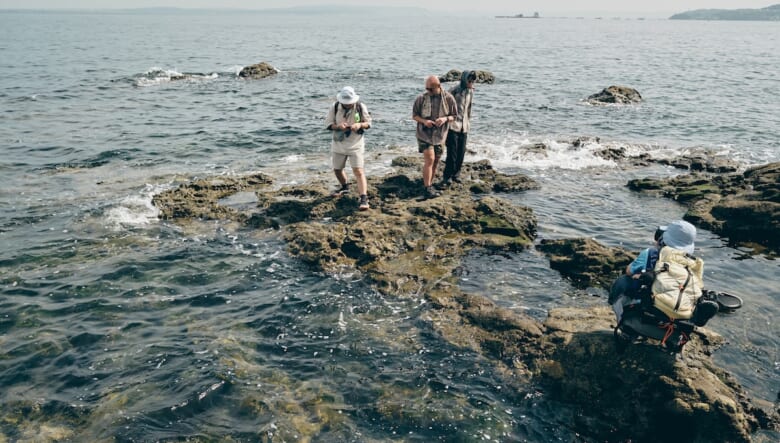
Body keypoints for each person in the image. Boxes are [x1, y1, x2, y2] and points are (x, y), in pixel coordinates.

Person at [608, 220, 698, 324]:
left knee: (623, 280)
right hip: (676, 309)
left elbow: (629, 271)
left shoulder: (651, 253)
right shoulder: (692, 263)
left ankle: (622, 319)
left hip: (648, 304)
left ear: (662, 238)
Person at [325, 86, 372, 210]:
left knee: (358, 170)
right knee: (337, 169)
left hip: (356, 144)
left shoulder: (361, 107)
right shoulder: (335, 107)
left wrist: (359, 125)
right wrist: (338, 126)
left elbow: (368, 123)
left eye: (349, 103)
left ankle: (363, 198)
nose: (347, 105)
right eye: (345, 103)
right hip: (338, 143)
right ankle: (345, 187)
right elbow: (328, 124)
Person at [412, 75, 458, 199]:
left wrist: (444, 119)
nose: (428, 91)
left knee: (436, 161)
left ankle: (429, 184)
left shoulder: (448, 98)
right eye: (426, 88)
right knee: (430, 159)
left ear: (438, 86)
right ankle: (427, 187)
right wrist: (424, 121)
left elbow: (454, 115)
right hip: (424, 134)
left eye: (430, 89)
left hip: (440, 136)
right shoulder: (421, 99)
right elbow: (414, 115)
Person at [441, 70, 476, 187]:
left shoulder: (470, 92)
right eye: (469, 80)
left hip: (464, 127)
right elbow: (444, 100)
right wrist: (446, 118)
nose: (471, 82)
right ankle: (447, 176)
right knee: (452, 153)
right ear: (464, 79)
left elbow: (469, 109)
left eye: (473, 80)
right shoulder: (455, 90)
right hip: (453, 126)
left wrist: (468, 122)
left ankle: (456, 174)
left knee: (461, 152)